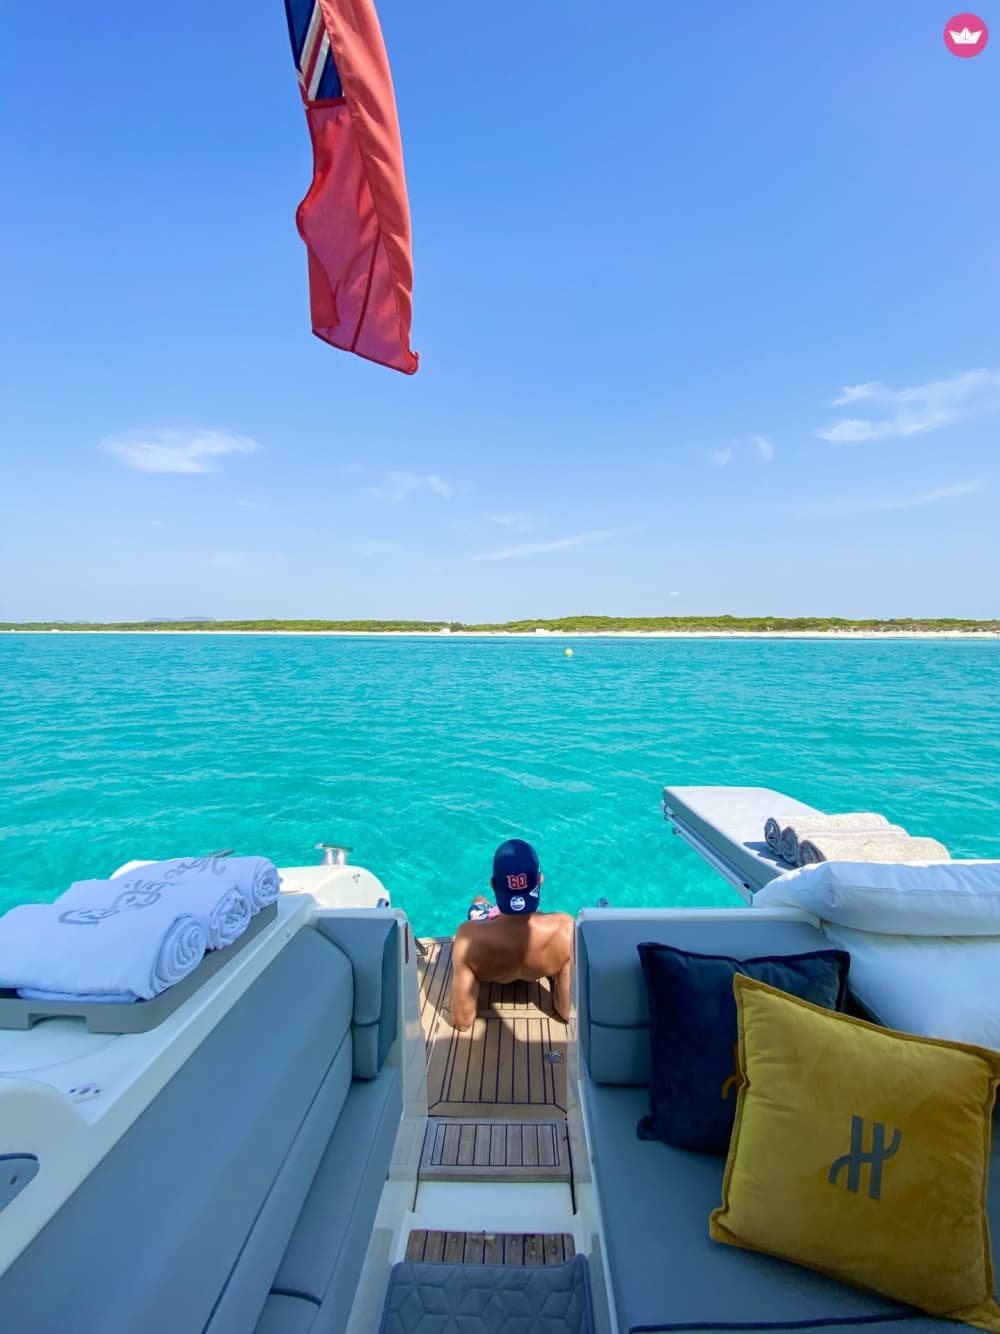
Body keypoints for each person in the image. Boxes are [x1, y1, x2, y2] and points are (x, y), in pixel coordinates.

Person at [449, 839, 574, 1031]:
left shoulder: (468, 937)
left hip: (490, 956)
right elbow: (567, 1012)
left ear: (493, 884)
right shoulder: (566, 928)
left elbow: (463, 1021)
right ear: (540, 880)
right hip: (543, 954)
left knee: (479, 900)